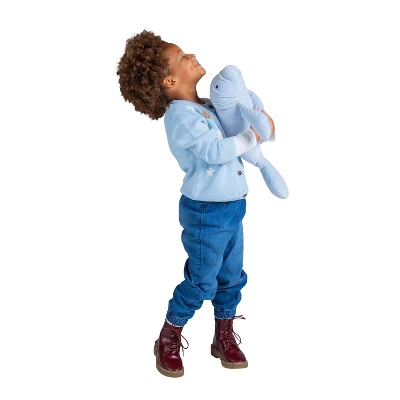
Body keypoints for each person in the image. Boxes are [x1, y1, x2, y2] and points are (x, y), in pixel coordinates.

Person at [116, 29, 274, 378]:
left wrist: (253, 113)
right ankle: (169, 334)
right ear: (170, 81)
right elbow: (216, 152)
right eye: (181, 56)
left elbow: (232, 123)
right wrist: (253, 135)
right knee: (202, 280)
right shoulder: (181, 117)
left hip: (232, 205)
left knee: (231, 275)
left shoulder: (204, 107)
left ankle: (223, 335)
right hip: (206, 212)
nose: (190, 55)